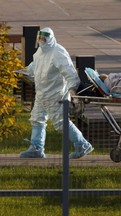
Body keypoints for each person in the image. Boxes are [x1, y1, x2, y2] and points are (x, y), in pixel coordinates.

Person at [19, 27, 94, 159]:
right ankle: (36, 148)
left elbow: (70, 73)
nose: (41, 40)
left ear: (50, 38)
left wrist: (73, 91)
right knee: (37, 119)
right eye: (40, 38)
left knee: (61, 122)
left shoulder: (58, 52)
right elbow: (34, 66)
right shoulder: (40, 52)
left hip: (56, 95)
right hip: (41, 94)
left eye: (44, 38)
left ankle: (82, 144)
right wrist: (22, 70)